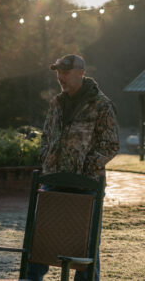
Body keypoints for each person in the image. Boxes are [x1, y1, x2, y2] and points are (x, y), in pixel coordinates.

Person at [27, 54, 119, 281]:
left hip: (86, 187)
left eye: (65, 72)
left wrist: (85, 169)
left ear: (80, 72)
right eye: (58, 72)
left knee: (85, 248)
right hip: (54, 181)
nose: (60, 77)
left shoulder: (101, 105)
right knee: (40, 241)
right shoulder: (56, 103)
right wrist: (46, 157)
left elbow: (111, 144)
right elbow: (47, 136)